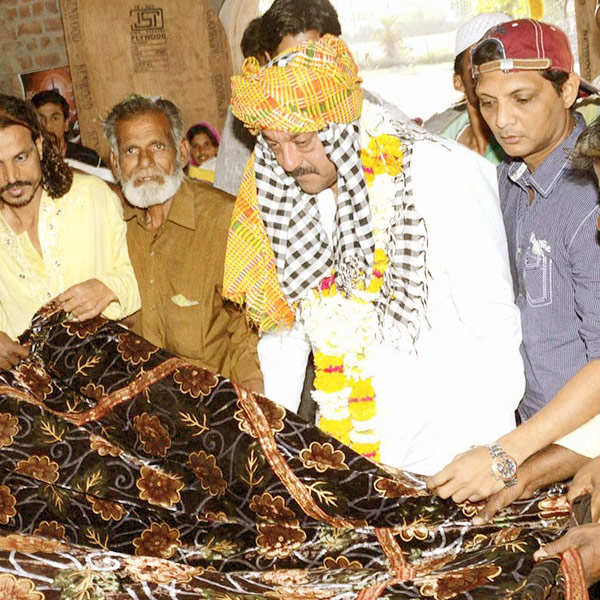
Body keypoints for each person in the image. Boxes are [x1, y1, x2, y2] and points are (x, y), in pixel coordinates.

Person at [223, 34, 525, 474]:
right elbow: (286, 331)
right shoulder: (287, 189)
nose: (288, 162)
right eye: (272, 144)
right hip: (349, 452)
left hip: (452, 450)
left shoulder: (442, 174)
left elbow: (494, 327)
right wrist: (276, 446)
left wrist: (497, 456)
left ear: (342, 123)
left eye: (303, 140)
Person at [428, 19, 600, 502]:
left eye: (522, 100)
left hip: (579, 452)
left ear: (567, 90)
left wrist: (507, 457)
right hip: (529, 439)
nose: (502, 120)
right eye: (488, 103)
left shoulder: (591, 195)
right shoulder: (504, 181)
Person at [104, 95, 262, 392]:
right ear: (115, 163)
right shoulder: (110, 227)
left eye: (157, 147)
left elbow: (246, 330)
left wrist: (253, 405)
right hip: (137, 406)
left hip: (211, 408)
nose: (145, 163)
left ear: (181, 153)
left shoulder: (224, 218)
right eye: (131, 151)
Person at [0, 94, 140, 370]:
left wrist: (109, 287)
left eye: (20, 157)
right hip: (25, 393)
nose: (11, 176)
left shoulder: (92, 198)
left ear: (39, 147)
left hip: (109, 372)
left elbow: (144, 278)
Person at [213, 0, 342, 197]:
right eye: (288, 65)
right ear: (268, 61)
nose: (301, 81)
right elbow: (229, 191)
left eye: (312, 65)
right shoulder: (248, 114)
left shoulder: (375, 118)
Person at [425, 12, 509, 164]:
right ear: (458, 82)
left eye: (501, 62)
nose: (490, 74)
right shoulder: (439, 140)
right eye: (478, 65)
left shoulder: (524, 144)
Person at [31, 89, 104, 168]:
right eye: (41, 120)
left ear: (66, 124)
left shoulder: (89, 160)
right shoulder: (30, 164)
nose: (48, 126)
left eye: (55, 118)